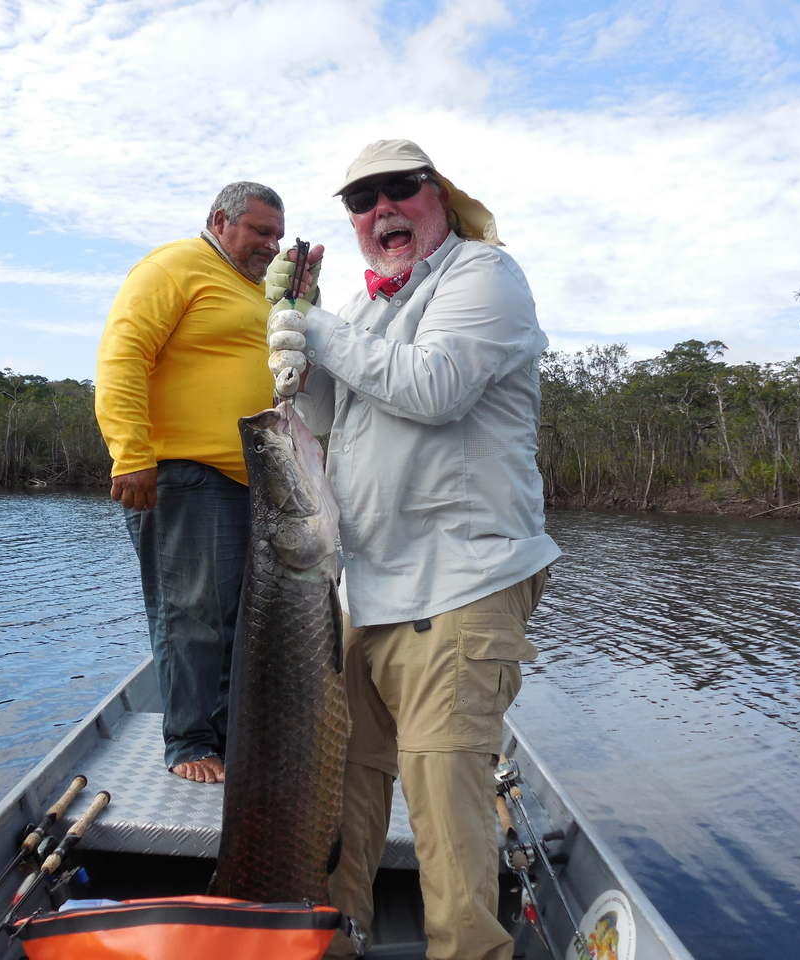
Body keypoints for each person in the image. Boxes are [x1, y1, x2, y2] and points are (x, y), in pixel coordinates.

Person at [263, 140, 562, 959]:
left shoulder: (483, 275)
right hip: (366, 594)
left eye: (401, 188)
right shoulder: (362, 312)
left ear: (441, 194)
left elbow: (434, 387)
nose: (381, 209)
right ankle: (333, 944)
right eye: (362, 200)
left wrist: (313, 326)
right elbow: (322, 421)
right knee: (339, 803)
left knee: (447, 824)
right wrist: (291, 344)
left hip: (460, 587)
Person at [96, 181, 285, 784]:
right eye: (260, 231)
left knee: (239, 621)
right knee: (191, 614)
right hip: (184, 473)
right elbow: (122, 356)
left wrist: (300, 297)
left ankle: (229, 739)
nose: (271, 244)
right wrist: (131, 454)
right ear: (221, 220)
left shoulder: (256, 289)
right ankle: (188, 742)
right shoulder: (174, 266)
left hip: (249, 480)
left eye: (278, 236)